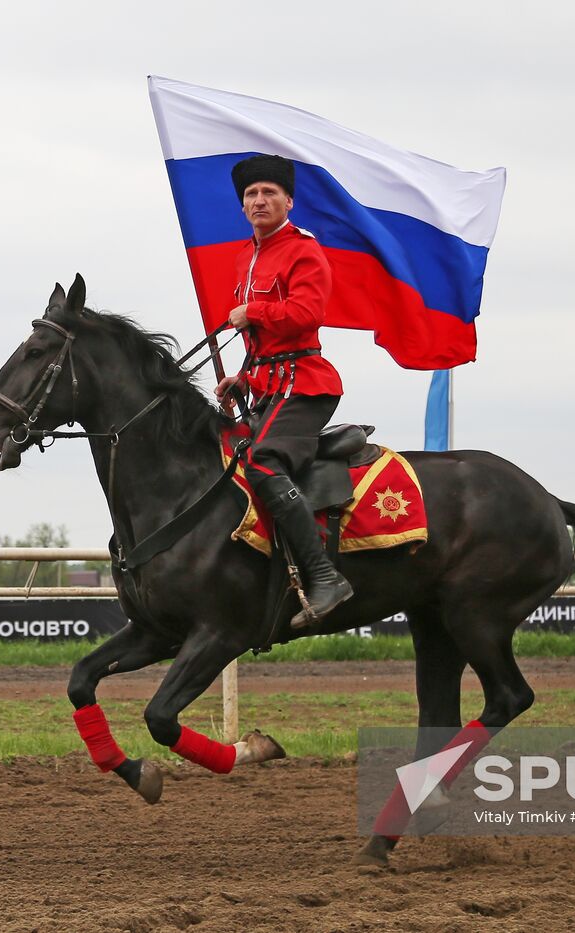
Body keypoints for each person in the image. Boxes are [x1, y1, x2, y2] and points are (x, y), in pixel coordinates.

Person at [214, 154, 353, 629]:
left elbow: (306, 314)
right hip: (268, 384)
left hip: (305, 384)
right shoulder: (243, 256)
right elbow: (264, 346)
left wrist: (253, 311)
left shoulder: (304, 250)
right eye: (251, 195)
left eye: (268, 192)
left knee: (261, 460)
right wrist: (241, 379)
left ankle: (324, 575)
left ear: (288, 200)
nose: (258, 200)